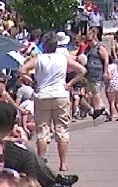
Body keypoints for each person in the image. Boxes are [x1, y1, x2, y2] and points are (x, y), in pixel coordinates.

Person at [17, 31, 86, 171]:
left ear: (44, 45)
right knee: (62, 129)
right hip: (60, 94)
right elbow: (82, 70)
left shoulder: (38, 58)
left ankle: (41, 162)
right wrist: (70, 83)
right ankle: (63, 163)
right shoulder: (63, 58)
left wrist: (33, 83)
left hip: (42, 95)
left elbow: (21, 71)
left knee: (42, 130)